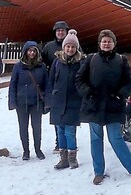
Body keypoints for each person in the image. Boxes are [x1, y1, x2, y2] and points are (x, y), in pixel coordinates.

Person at [75, 29, 131, 185]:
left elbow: (129, 82)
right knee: (96, 140)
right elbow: (79, 79)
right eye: (104, 41)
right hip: (94, 106)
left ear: (114, 44)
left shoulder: (121, 60)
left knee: (116, 139)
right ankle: (98, 171)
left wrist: (121, 94)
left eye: (109, 41)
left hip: (113, 105)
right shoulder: (91, 59)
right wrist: (88, 92)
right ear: (100, 43)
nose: (106, 44)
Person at [48, 29, 85, 170]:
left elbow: (82, 82)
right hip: (58, 102)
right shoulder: (57, 62)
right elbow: (51, 81)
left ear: (76, 48)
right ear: (64, 47)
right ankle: (63, 158)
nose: (70, 49)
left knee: (70, 131)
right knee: (60, 130)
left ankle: (72, 157)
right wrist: (50, 98)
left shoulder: (80, 63)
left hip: (73, 102)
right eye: (68, 46)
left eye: (73, 47)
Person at [8, 41, 48, 160]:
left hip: (36, 102)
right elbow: (13, 85)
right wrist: (12, 102)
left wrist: (47, 101)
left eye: (34, 51)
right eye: (29, 50)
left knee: (37, 127)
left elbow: (47, 85)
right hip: (22, 102)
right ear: (25, 52)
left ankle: (38, 149)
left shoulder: (42, 67)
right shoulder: (18, 67)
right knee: (23, 127)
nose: (32, 53)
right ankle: (26, 151)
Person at [41, 20, 68, 151]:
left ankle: (69, 141)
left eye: (63, 30)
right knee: (56, 115)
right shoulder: (48, 47)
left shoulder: (72, 44)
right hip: (53, 85)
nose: (60, 33)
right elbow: (41, 64)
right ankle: (59, 141)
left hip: (68, 85)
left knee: (68, 115)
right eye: (58, 31)